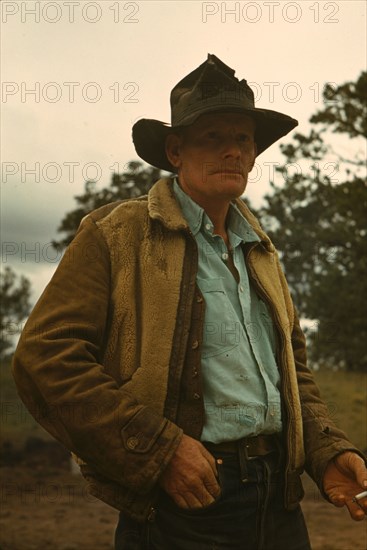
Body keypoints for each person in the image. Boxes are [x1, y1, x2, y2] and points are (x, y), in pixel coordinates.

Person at [12, 54, 367, 550]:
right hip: (185, 505)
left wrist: (327, 451)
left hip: (278, 502)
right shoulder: (117, 234)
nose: (233, 151)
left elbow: (294, 372)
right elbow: (46, 358)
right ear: (175, 150)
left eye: (243, 139)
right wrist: (158, 451)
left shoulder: (261, 251)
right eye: (213, 137)